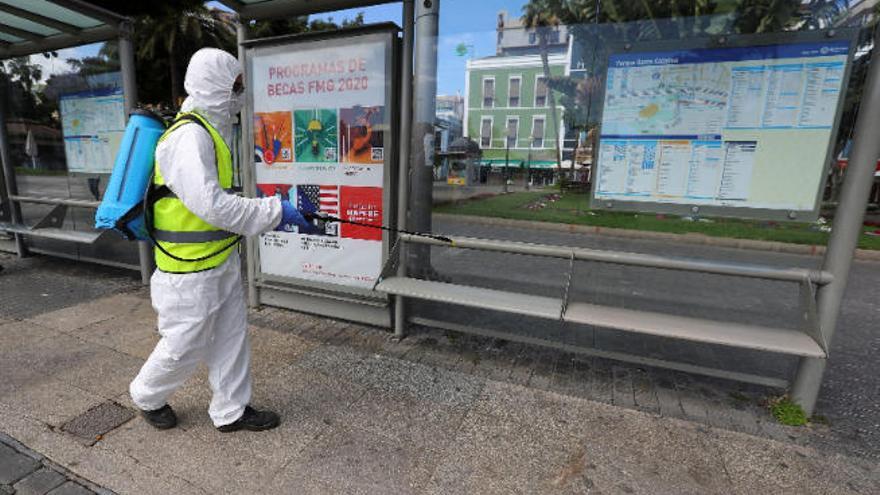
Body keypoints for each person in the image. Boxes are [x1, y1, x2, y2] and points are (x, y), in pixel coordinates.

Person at [129, 48, 308, 432]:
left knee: (231, 338)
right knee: (184, 345)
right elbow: (213, 206)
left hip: (221, 258)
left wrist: (270, 211)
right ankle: (146, 394)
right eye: (235, 86)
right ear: (212, 85)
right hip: (187, 269)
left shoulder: (213, 130)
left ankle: (231, 410)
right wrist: (274, 211)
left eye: (241, 85)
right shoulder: (188, 137)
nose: (240, 93)